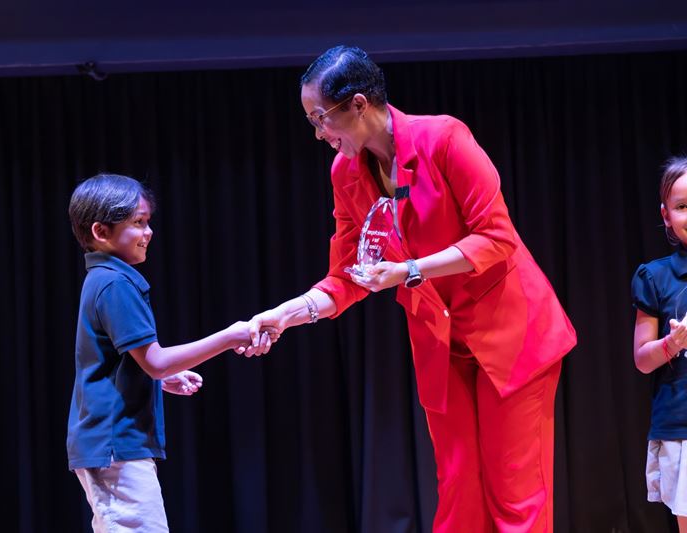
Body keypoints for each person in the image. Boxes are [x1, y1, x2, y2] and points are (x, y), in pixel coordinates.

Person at [246, 46, 577, 532]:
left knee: (515, 496)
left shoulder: (443, 137)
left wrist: (409, 271)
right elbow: (345, 276)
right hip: (442, 345)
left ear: (359, 104)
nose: (319, 133)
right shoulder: (346, 172)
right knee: (458, 491)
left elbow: (497, 236)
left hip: (511, 335)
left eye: (321, 118)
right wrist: (285, 315)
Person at [66, 173, 271, 533]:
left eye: (148, 223)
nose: (148, 233)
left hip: (112, 443)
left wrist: (161, 380)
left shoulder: (104, 279)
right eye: (138, 223)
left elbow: (125, 363)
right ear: (101, 231)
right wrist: (229, 335)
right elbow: (156, 361)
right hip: (115, 445)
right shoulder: (114, 283)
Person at [631, 156, 687, 532]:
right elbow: (642, 359)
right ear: (666, 215)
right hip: (681, 424)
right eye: (683, 206)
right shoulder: (656, 276)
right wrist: (672, 342)